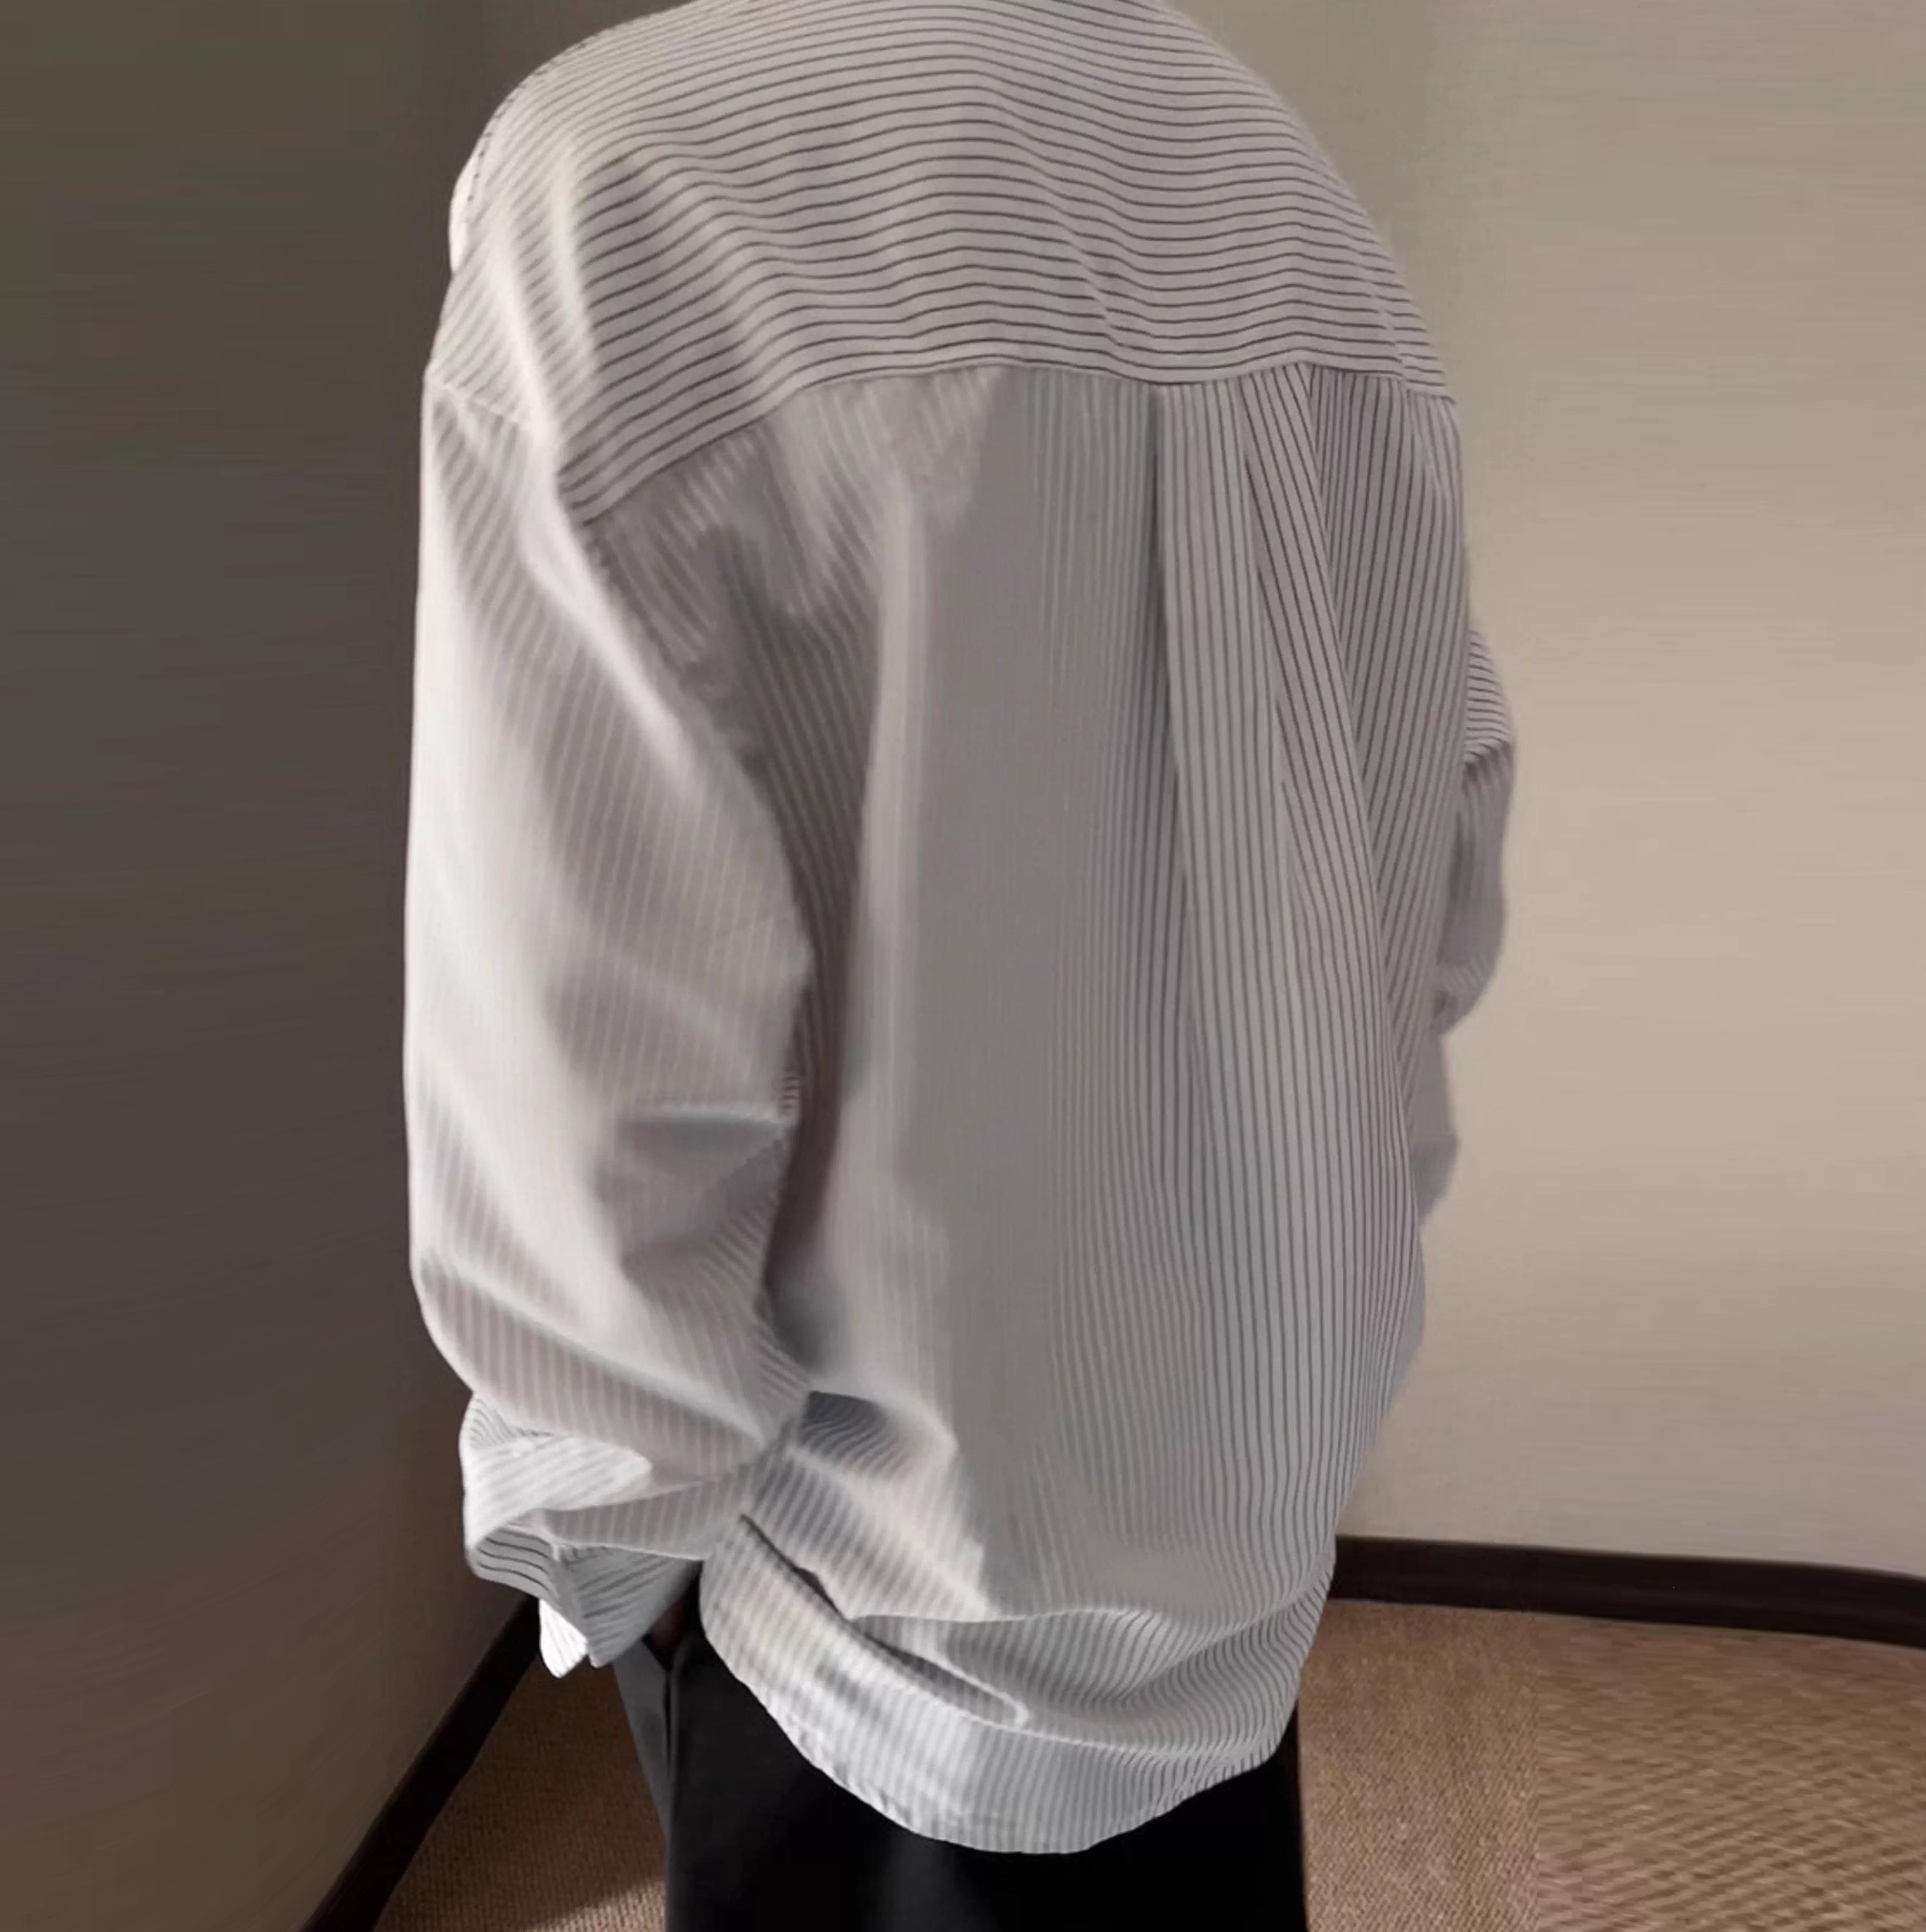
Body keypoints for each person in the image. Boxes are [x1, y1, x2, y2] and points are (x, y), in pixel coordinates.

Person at [403, 0, 1514, 1924]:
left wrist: (604, 1525)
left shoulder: (624, 175)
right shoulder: (1275, 181)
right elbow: (1433, 870)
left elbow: (583, 999)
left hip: (834, 1588)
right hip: (1239, 1517)